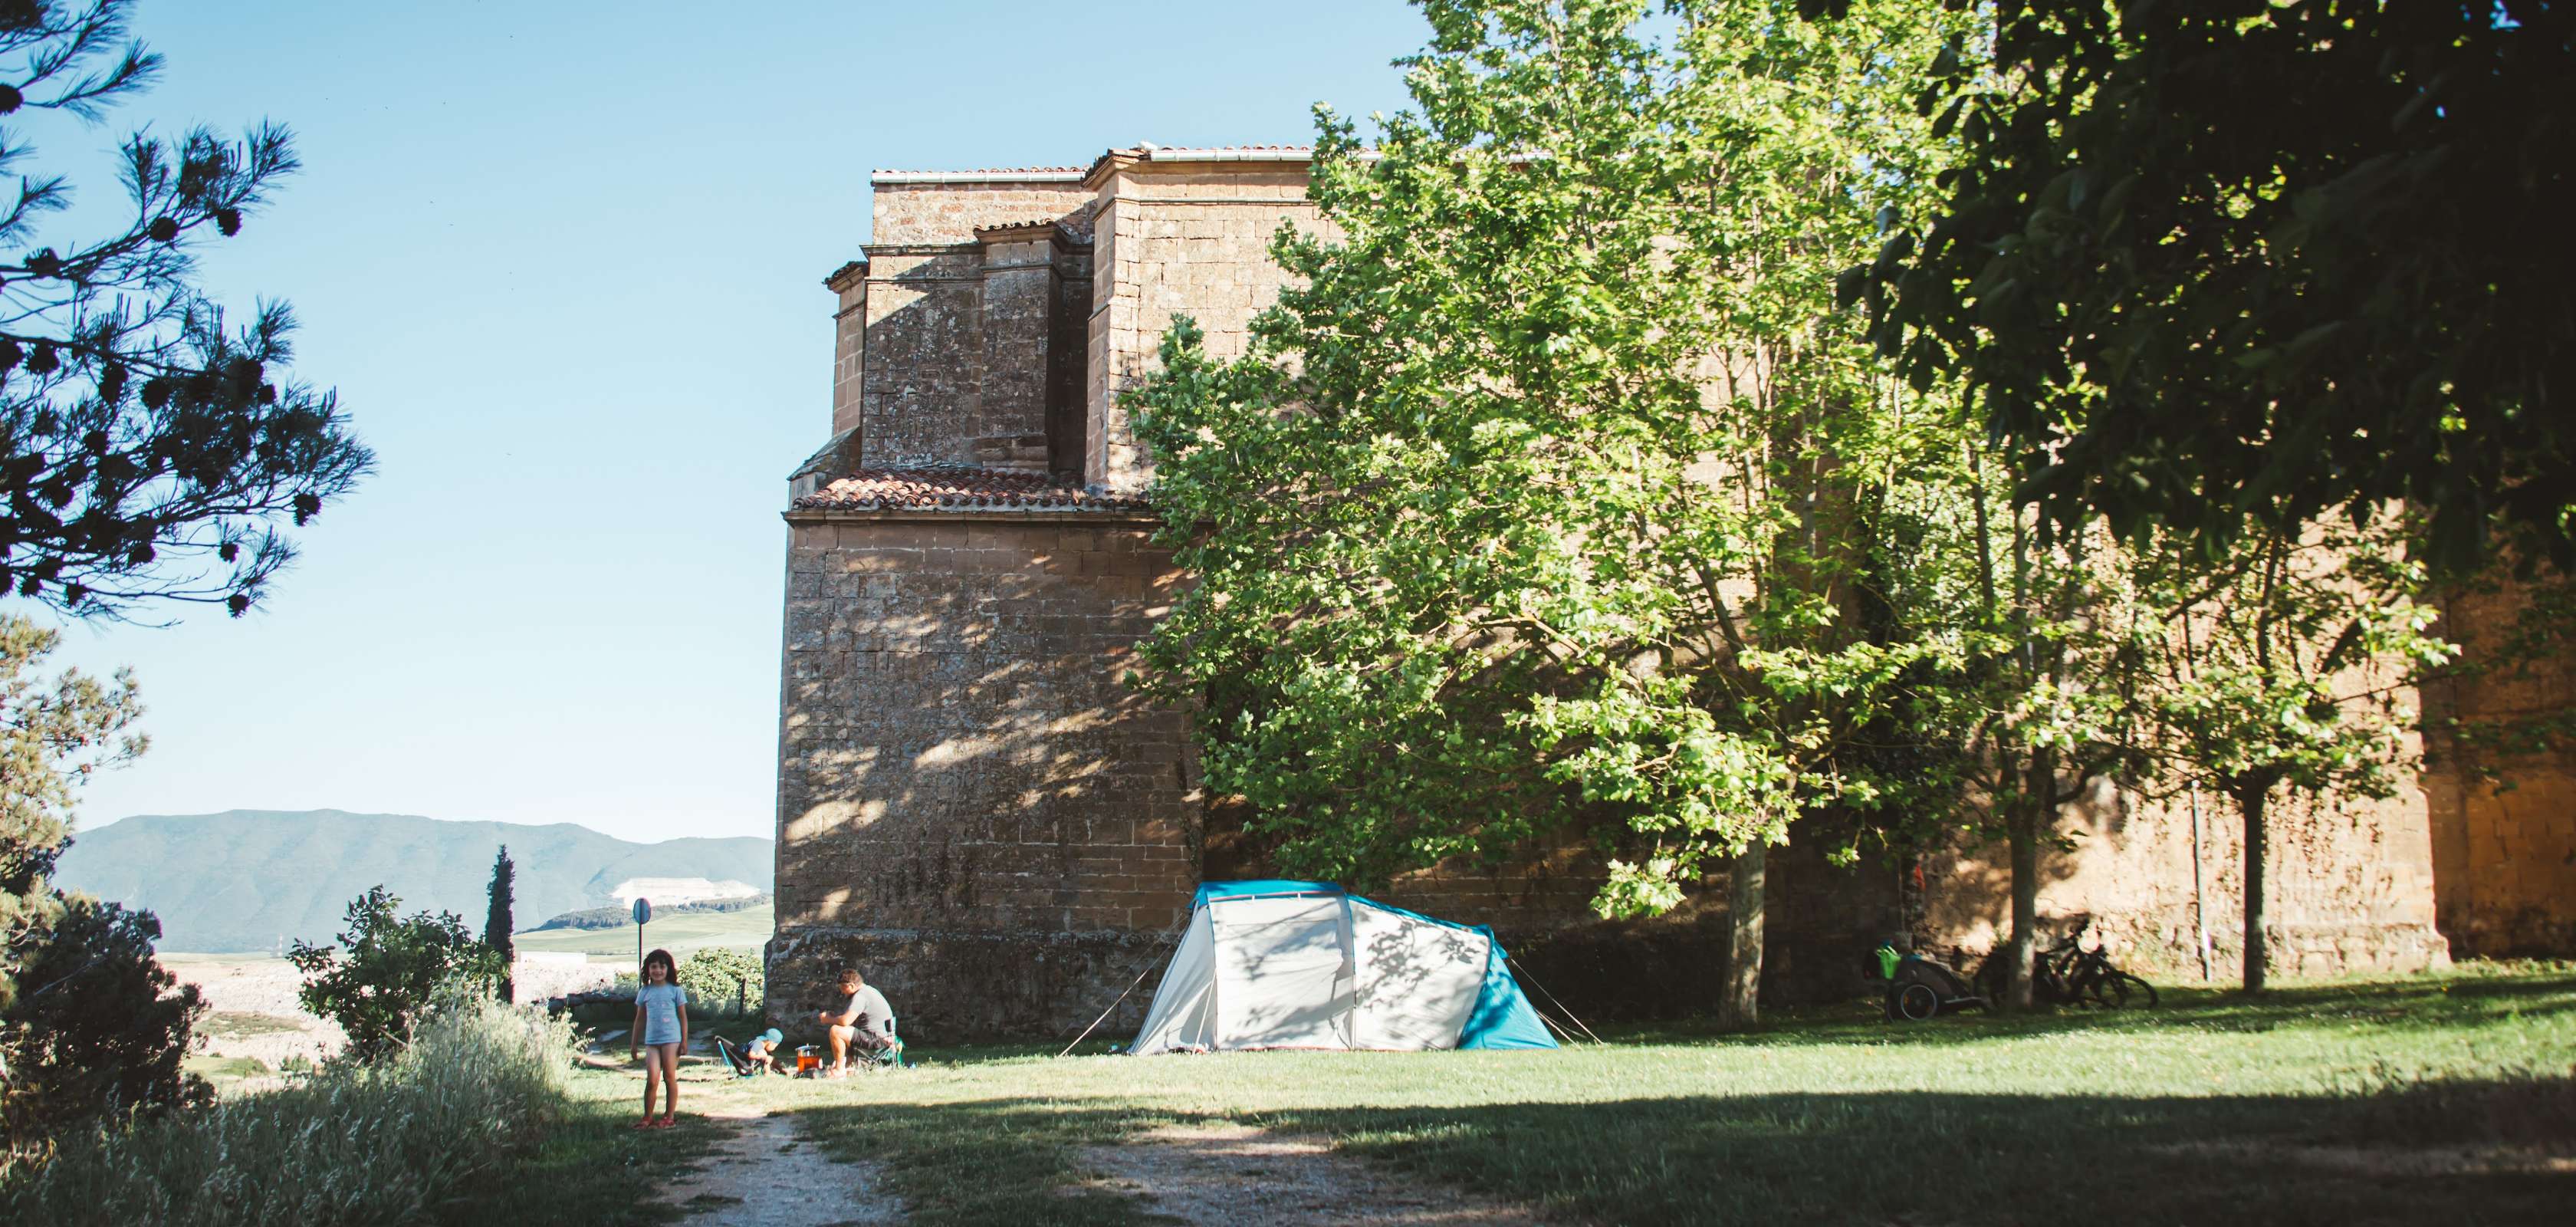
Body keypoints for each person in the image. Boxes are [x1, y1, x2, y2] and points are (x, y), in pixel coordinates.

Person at [629, 948, 688, 1128]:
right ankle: (647, 1117)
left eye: (662, 967)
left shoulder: (676, 991)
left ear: (668, 969)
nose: (658, 971)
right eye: (653, 967)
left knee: (669, 1077)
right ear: (647, 970)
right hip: (652, 1042)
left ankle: (669, 1116)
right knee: (652, 1079)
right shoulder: (645, 992)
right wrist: (633, 1044)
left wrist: (684, 1041)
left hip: (672, 1040)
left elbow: (683, 1018)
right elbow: (639, 1020)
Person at [815, 967, 895, 1077]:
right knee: (848, 1032)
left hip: (877, 1040)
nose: (842, 992)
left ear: (851, 986)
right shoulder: (869, 991)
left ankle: (839, 1070)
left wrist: (827, 1019)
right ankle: (848, 1065)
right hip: (881, 1038)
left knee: (836, 1031)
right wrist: (836, 1017)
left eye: (843, 988)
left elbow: (845, 1021)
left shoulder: (860, 996)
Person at [717, 1028, 787, 1077]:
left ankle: (781, 1070)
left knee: (769, 1057)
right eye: (775, 1046)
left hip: (748, 1062)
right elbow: (751, 1055)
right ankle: (767, 1076)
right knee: (767, 1057)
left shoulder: (760, 1044)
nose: (774, 1048)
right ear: (771, 1042)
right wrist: (763, 1057)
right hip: (746, 1064)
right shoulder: (757, 1044)